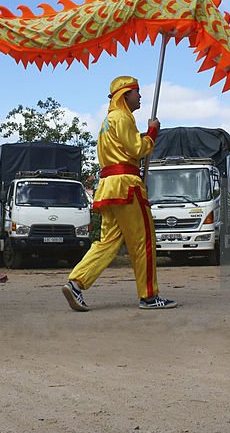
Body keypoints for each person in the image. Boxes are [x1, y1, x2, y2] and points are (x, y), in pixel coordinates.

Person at [62, 76, 178, 311]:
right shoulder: (123, 118)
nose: (140, 96)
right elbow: (137, 149)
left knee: (108, 241)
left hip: (109, 186)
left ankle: (76, 282)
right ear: (124, 95)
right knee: (143, 240)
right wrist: (152, 133)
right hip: (127, 185)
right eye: (136, 91)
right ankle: (149, 296)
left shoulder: (107, 121)